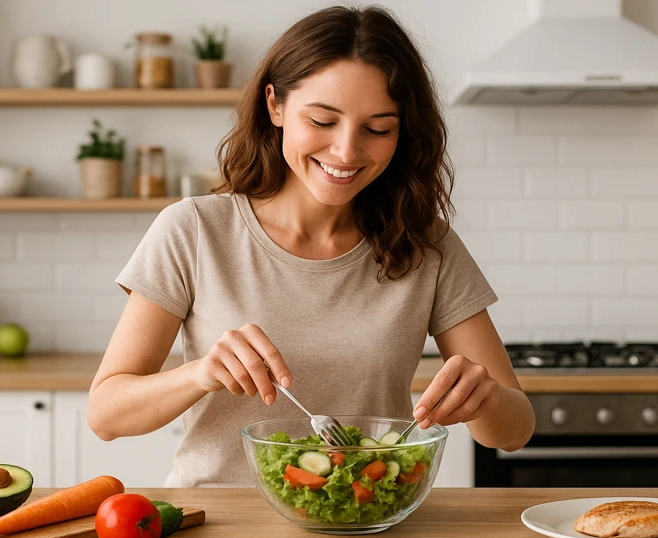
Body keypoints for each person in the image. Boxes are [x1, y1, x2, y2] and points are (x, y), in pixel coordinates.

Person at [87, 4, 535, 488]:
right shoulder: (194, 230)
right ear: (275, 106)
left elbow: (513, 433)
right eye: (323, 121)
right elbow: (106, 415)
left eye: (378, 128)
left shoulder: (426, 243)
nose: (346, 151)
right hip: (220, 535)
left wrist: (485, 397)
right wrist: (199, 374)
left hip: (367, 525)